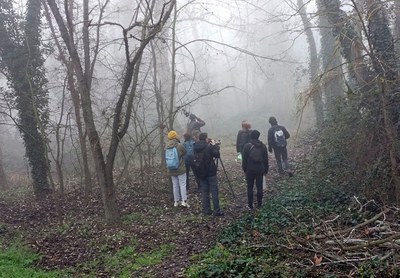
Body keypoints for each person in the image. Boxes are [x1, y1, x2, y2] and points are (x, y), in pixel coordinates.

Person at [192, 132, 223, 216]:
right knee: (214, 191)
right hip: (210, 171)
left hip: (200, 171)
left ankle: (207, 210)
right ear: (206, 138)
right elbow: (217, 154)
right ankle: (217, 210)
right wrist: (214, 145)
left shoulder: (195, 146)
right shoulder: (208, 147)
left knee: (205, 191)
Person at [242, 130, 269, 210]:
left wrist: (245, 169)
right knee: (259, 186)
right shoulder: (263, 146)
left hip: (250, 170)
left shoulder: (247, 146)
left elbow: (244, 160)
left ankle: (250, 205)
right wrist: (266, 169)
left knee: (250, 187)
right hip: (260, 169)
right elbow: (265, 159)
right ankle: (260, 204)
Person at [165, 130, 189, 207]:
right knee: (182, 184)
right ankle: (184, 201)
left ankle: (176, 201)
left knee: (175, 185)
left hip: (171, 168)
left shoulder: (166, 146)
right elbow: (185, 152)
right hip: (180, 168)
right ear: (175, 136)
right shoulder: (179, 145)